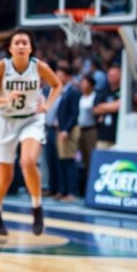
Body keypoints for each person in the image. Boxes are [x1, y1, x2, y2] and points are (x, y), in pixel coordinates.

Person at [0, 29, 61, 236]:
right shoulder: (1, 67)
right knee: (6, 177)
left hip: (31, 119)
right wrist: (5, 99)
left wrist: (48, 105)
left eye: (25, 42)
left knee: (28, 161)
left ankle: (37, 207)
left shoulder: (39, 66)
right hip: (5, 121)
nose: (22, 46)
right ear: (10, 48)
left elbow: (57, 84)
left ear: (31, 48)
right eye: (17, 43)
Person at [55, 66, 81, 201]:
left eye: (59, 75)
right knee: (62, 161)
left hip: (69, 130)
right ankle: (63, 190)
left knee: (69, 161)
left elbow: (75, 113)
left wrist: (66, 129)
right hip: (62, 130)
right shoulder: (64, 91)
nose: (57, 77)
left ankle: (72, 192)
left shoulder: (73, 92)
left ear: (67, 77)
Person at [76, 75, 98, 192]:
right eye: (81, 82)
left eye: (84, 82)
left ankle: (91, 189)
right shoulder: (80, 97)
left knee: (90, 159)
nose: (82, 84)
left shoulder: (95, 96)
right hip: (80, 129)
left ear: (91, 84)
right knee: (81, 160)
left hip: (91, 130)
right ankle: (82, 187)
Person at [93, 66, 121, 150]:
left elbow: (120, 105)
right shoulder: (103, 91)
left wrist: (103, 107)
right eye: (109, 75)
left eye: (113, 75)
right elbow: (95, 110)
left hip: (118, 136)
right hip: (103, 136)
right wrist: (113, 106)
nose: (110, 77)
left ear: (120, 76)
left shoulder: (124, 90)